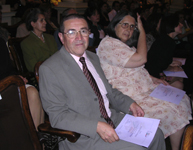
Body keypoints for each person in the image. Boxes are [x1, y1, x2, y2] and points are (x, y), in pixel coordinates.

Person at [39, 13, 166, 150]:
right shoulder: (50, 69)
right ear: (61, 37)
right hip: (83, 136)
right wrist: (96, 126)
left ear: (89, 33)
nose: (79, 38)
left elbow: (108, 91)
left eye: (83, 31)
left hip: (111, 119)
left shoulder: (93, 58)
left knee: (156, 134)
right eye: (71, 32)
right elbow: (58, 116)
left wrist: (130, 104)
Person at [97, 11, 192, 150]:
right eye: (125, 25)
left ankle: (176, 147)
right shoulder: (108, 44)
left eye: (132, 27)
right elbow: (142, 59)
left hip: (143, 88)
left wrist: (153, 79)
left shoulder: (123, 45)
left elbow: (137, 68)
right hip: (129, 96)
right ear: (114, 25)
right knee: (171, 109)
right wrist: (141, 30)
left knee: (181, 99)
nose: (128, 29)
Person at [0, 37, 44, 130]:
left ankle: (35, 139)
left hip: (6, 85)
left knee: (32, 92)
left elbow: (8, 69)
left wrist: (17, 76)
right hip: (3, 86)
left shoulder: (0, 41)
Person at [21, 8, 58, 72]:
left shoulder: (50, 38)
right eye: (41, 20)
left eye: (45, 20)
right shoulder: (26, 43)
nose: (45, 23)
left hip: (56, 70)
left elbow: (58, 57)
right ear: (33, 24)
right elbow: (32, 67)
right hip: (41, 74)